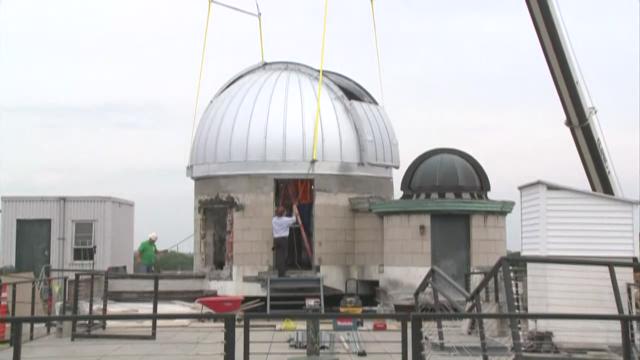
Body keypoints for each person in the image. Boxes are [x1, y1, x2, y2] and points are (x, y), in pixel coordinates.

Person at [272, 206, 297, 277]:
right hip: (283, 239)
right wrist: (294, 210)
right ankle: (282, 273)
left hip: (276, 240)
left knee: (279, 255)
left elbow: (277, 215)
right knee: (284, 256)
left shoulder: (274, 220)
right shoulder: (285, 220)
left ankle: (280, 272)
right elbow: (294, 219)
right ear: (283, 213)